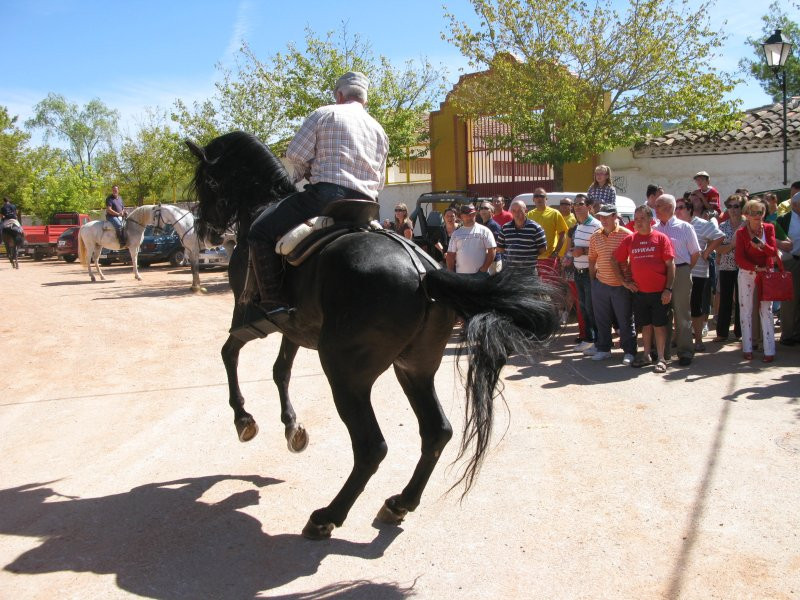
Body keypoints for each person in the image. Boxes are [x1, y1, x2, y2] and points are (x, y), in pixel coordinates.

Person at [246, 71, 389, 318]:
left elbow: (296, 154)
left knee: (259, 231)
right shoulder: (379, 130)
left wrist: (301, 174)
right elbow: (382, 181)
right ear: (364, 100)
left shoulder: (325, 113)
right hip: (366, 207)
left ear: (339, 94)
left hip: (326, 199)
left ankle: (274, 302)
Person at [612, 205, 675, 372]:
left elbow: (670, 265)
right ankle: (646, 355)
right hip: (639, 292)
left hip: (659, 292)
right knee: (645, 325)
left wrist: (668, 289)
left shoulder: (661, 238)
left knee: (659, 326)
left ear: (650, 220)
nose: (638, 222)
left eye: (642, 219)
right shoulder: (630, 239)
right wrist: (624, 281)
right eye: (636, 218)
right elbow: (615, 259)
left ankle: (661, 359)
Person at [654, 194, 701, 366]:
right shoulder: (655, 228)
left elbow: (695, 253)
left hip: (681, 270)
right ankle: (663, 353)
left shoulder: (685, 227)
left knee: (681, 313)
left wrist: (686, 270)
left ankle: (685, 351)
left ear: (668, 207)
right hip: (660, 273)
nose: (655, 209)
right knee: (662, 313)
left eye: (658, 206)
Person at [586, 204, 636, 363]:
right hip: (601, 284)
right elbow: (592, 259)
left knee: (625, 320)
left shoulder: (627, 235)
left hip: (622, 286)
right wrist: (593, 281)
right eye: (601, 216)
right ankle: (604, 348)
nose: (603, 220)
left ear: (615, 216)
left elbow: (633, 261)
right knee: (602, 319)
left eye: (607, 216)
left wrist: (629, 281)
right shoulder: (595, 236)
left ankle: (629, 351)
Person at [677, 200, 724, 352]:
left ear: (690, 209)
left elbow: (719, 236)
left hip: (698, 272)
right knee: (679, 307)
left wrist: (707, 252)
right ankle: (678, 338)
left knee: (695, 307)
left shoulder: (702, 224)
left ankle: (698, 340)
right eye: (676, 208)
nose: (677, 211)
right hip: (680, 272)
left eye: (681, 208)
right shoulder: (676, 225)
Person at [735, 199, 778, 362]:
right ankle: (747, 348)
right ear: (746, 215)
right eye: (753, 213)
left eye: (760, 212)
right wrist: (755, 268)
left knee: (766, 310)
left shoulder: (769, 228)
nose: (756, 216)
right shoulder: (741, 233)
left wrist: (761, 246)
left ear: (764, 214)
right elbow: (739, 258)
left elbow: (772, 251)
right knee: (746, 310)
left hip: (766, 272)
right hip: (747, 272)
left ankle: (769, 350)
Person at [567, 194, 602, 353]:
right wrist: (573, 254)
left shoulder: (596, 225)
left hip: (590, 273)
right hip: (579, 272)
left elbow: (601, 249)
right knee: (584, 308)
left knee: (592, 308)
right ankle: (588, 339)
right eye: (575, 204)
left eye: (581, 204)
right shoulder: (579, 225)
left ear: (589, 207)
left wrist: (582, 251)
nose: (577, 206)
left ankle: (598, 342)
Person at [714, 195, 744, 342]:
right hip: (726, 267)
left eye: (736, 206)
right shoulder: (723, 226)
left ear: (742, 208)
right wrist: (731, 245)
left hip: (744, 268)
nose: (732, 209)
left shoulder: (746, 225)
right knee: (725, 300)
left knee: (741, 300)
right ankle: (722, 333)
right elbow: (717, 249)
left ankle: (740, 332)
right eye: (730, 206)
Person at [526, 187, 568, 282]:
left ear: (546, 198)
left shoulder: (555, 213)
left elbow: (562, 235)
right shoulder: (529, 215)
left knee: (549, 286)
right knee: (534, 287)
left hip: (548, 258)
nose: (539, 198)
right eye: (536, 196)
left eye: (541, 196)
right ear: (533, 199)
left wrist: (556, 252)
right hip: (532, 259)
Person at [496, 199, 547, 274]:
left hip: (529, 272)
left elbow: (542, 249)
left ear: (526, 211)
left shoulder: (535, 228)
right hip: (509, 273)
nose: (516, 214)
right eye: (514, 211)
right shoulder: (505, 228)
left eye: (520, 210)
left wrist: (527, 255)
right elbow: (500, 248)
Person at [775, 192, 800, 346]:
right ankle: (788, 334)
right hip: (792, 261)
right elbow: (774, 238)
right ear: (796, 205)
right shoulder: (785, 219)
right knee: (790, 299)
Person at [446, 204, 496, 274]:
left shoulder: (485, 231)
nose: (470, 217)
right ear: (461, 216)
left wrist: (483, 269)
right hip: (461, 276)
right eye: (467, 215)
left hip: (480, 276)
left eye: (472, 214)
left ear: (475, 214)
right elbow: (450, 255)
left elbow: (492, 251)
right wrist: (450, 273)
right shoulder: (456, 234)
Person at [477, 201, 503, 274]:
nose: (483, 210)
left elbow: (496, 246)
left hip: (494, 262)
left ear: (492, 212)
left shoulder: (493, 225)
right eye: (481, 208)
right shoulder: (484, 225)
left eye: (486, 208)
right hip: (487, 261)